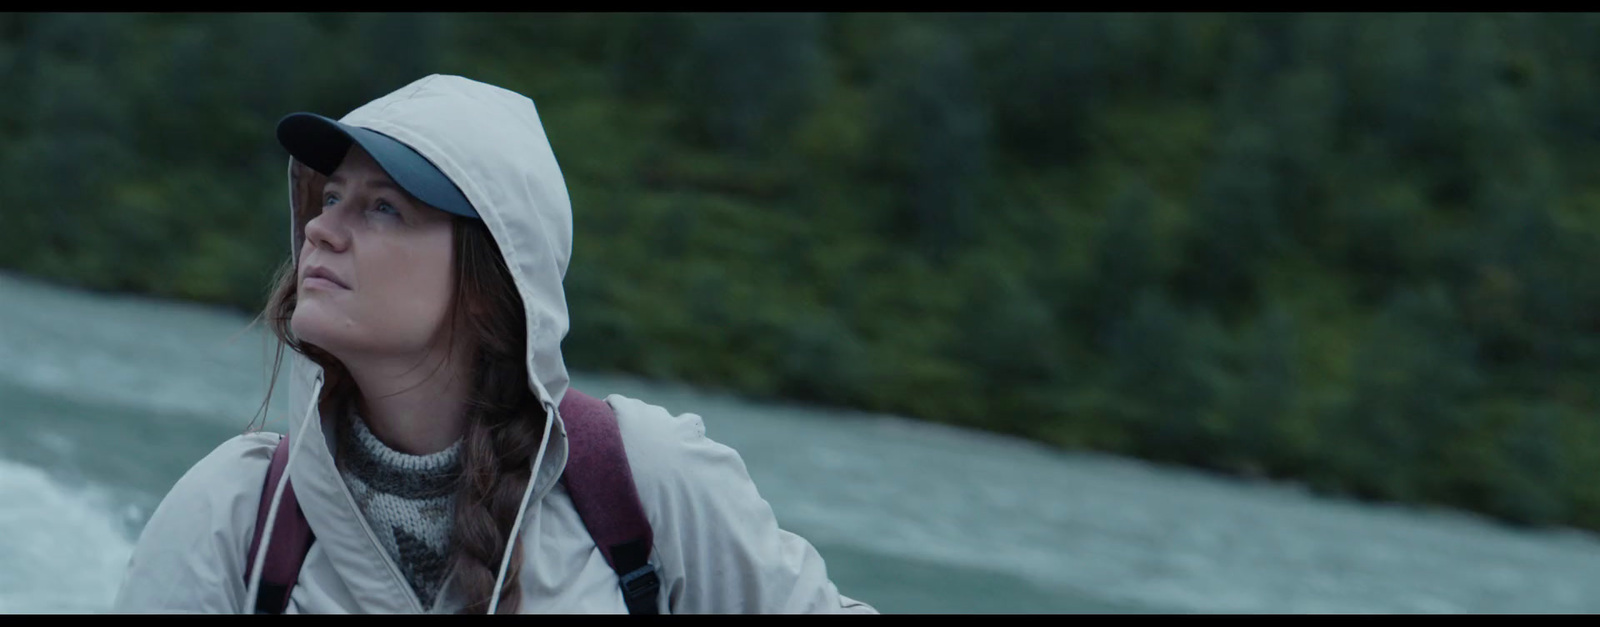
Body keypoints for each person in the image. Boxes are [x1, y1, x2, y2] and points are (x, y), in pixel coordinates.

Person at [111, 74, 877, 614]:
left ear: (493, 273)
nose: (321, 229)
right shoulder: (236, 514)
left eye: (383, 209)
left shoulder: (640, 479)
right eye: (332, 196)